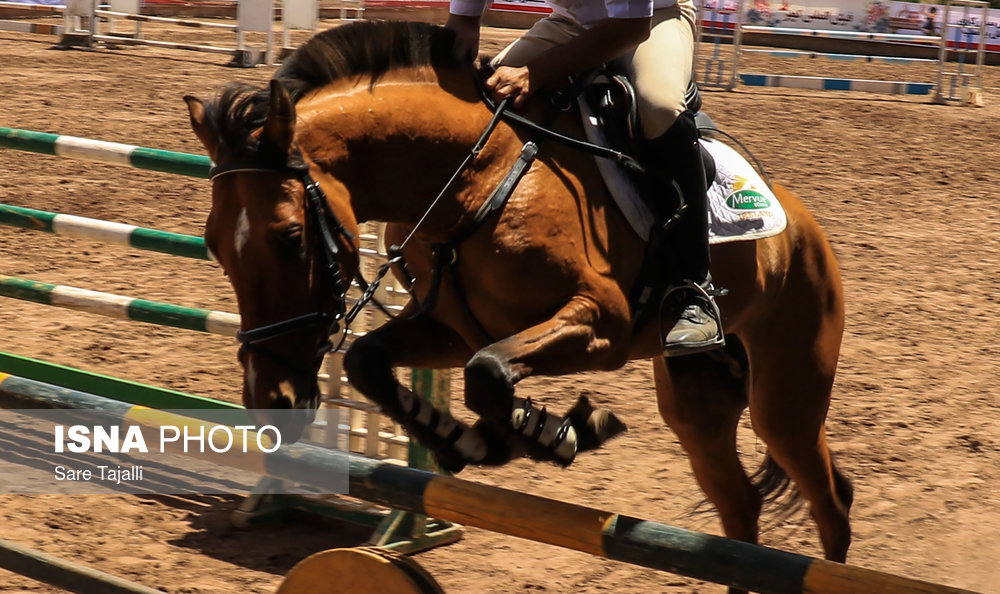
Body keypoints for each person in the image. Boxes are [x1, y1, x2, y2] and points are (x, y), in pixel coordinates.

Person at [445, 0, 725, 356]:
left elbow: (630, 27)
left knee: (658, 107)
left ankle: (695, 291)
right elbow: (462, 22)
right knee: (486, 99)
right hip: (572, 23)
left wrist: (535, 72)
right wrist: (463, 27)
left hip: (652, 22)